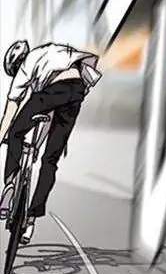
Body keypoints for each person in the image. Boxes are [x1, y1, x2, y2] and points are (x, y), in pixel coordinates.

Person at [0, 40, 101, 243]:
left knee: (15, 133)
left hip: (53, 92)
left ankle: (9, 185)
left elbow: (12, 106)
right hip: (76, 91)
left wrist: (2, 135)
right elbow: (48, 119)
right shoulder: (52, 52)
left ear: (16, 63)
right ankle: (30, 220)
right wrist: (35, 147)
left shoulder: (28, 62)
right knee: (50, 160)